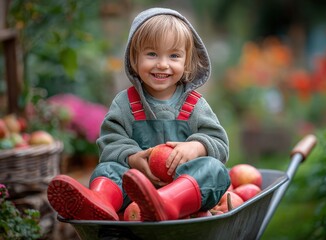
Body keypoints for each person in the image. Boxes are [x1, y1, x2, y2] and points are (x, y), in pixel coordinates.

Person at [47, 7, 230, 222]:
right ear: (134, 58)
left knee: (215, 171)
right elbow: (110, 144)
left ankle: (167, 203)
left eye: (174, 55)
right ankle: (101, 202)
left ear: (186, 62)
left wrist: (196, 146)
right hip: (134, 191)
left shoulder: (195, 105)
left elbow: (219, 143)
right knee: (107, 169)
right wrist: (133, 158)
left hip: (183, 192)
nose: (162, 64)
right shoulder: (125, 104)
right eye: (152, 54)